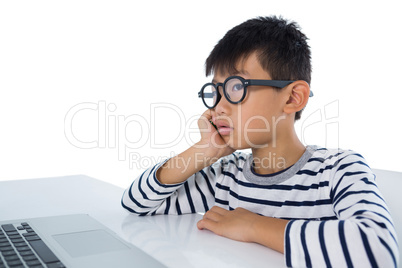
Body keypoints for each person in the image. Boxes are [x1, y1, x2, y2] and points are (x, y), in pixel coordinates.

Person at [121, 16, 399, 267]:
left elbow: (377, 249)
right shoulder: (227, 176)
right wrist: (206, 150)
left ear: (292, 98)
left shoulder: (338, 168)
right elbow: (136, 203)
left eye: (236, 87)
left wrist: (254, 226)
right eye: (216, 91)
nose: (218, 106)